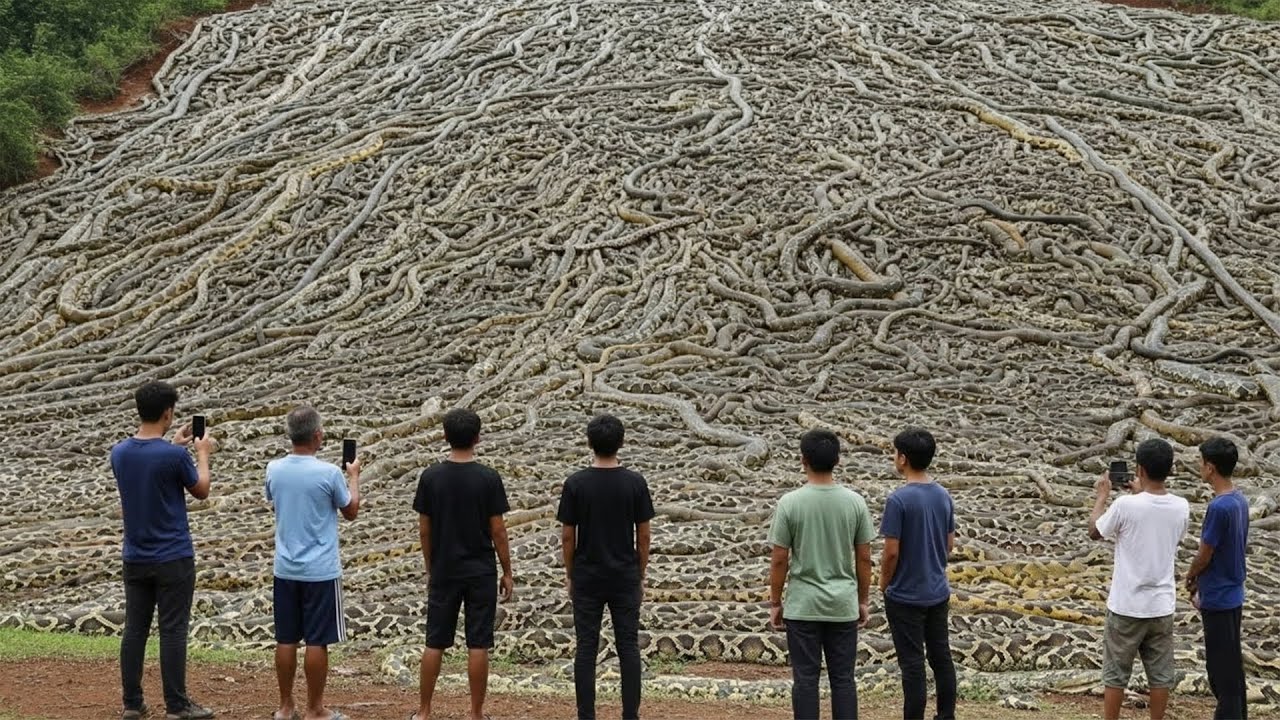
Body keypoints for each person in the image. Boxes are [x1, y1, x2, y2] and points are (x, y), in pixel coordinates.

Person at [112, 380, 217, 720]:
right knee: (172, 630)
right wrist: (201, 454)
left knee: (135, 628)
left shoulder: (120, 452)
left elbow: (149, 471)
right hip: (173, 555)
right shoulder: (176, 457)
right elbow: (201, 489)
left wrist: (175, 446)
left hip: (135, 555)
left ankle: (132, 702)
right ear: (169, 413)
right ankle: (176, 705)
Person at [412, 408, 514, 720]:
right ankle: (476, 714)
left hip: (444, 568)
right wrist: (507, 570)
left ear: (445, 437)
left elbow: (424, 529)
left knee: (435, 641)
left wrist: (431, 566)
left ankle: (425, 712)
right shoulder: (488, 478)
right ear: (478, 438)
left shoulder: (430, 477)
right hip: (480, 570)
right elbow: (498, 530)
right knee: (478, 643)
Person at [768, 428, 874, 720]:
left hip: (803, 606)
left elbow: (779, 560)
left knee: (805, 680)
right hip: (842, 605)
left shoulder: (789, 503)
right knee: (843, 679)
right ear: (837, 460)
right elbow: (864, 557)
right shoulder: (855, 502)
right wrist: (862, 600)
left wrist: (776, 602)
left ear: (803, 460)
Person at [558, 414, 656, 720]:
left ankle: (586, 715)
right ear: (621, 442)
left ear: (589, 443)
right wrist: (639, 573)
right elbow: (643, 535)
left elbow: (567, 535)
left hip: (587, 575)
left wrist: (571, 574)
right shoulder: (635, 483)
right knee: (628, 646)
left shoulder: (575, 484)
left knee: (586, 647)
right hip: (624, 574)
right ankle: (631, 715)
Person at [266, 406, 361, 720]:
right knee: (317, 640)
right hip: (320, 570)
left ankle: (284, 707)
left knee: (286, 637)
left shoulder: (274, 469)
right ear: (318, 435)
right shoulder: (330, 473)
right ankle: (315, 709)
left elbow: (274, 500)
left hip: (285, 567)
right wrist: (355, 477)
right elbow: (350, 511)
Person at [1089, 438, 1190, 720]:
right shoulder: (1182, 506)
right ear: (1169, 470)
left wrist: (1102, 496)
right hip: (1161, 605)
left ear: (1139, 469)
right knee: (1160, 674)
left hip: (1126, 604)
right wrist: (1140, 493)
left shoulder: (1124, 505)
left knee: (1116, 673)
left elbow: (1095, 531)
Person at [879, 427, 957, 720]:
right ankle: (946, 715)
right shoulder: (943, 495)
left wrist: (884, 583)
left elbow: (891, 552)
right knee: (941, 657)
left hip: (905, 595)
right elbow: (949, 544)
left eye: (894, 453)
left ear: (903, 458)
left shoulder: (898, 501)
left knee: (912, 664)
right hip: (937, 591)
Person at [1185, 437, 1249, 719]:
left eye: (1201, 462)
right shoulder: (1240, 500)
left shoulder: (1219, 507)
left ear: (1210, 468)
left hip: (1219, 597)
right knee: (1232, 670)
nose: (1199, 467)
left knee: (1221, 673)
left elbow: (1205, 553)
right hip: (1234, 593)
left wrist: (1191, 575)